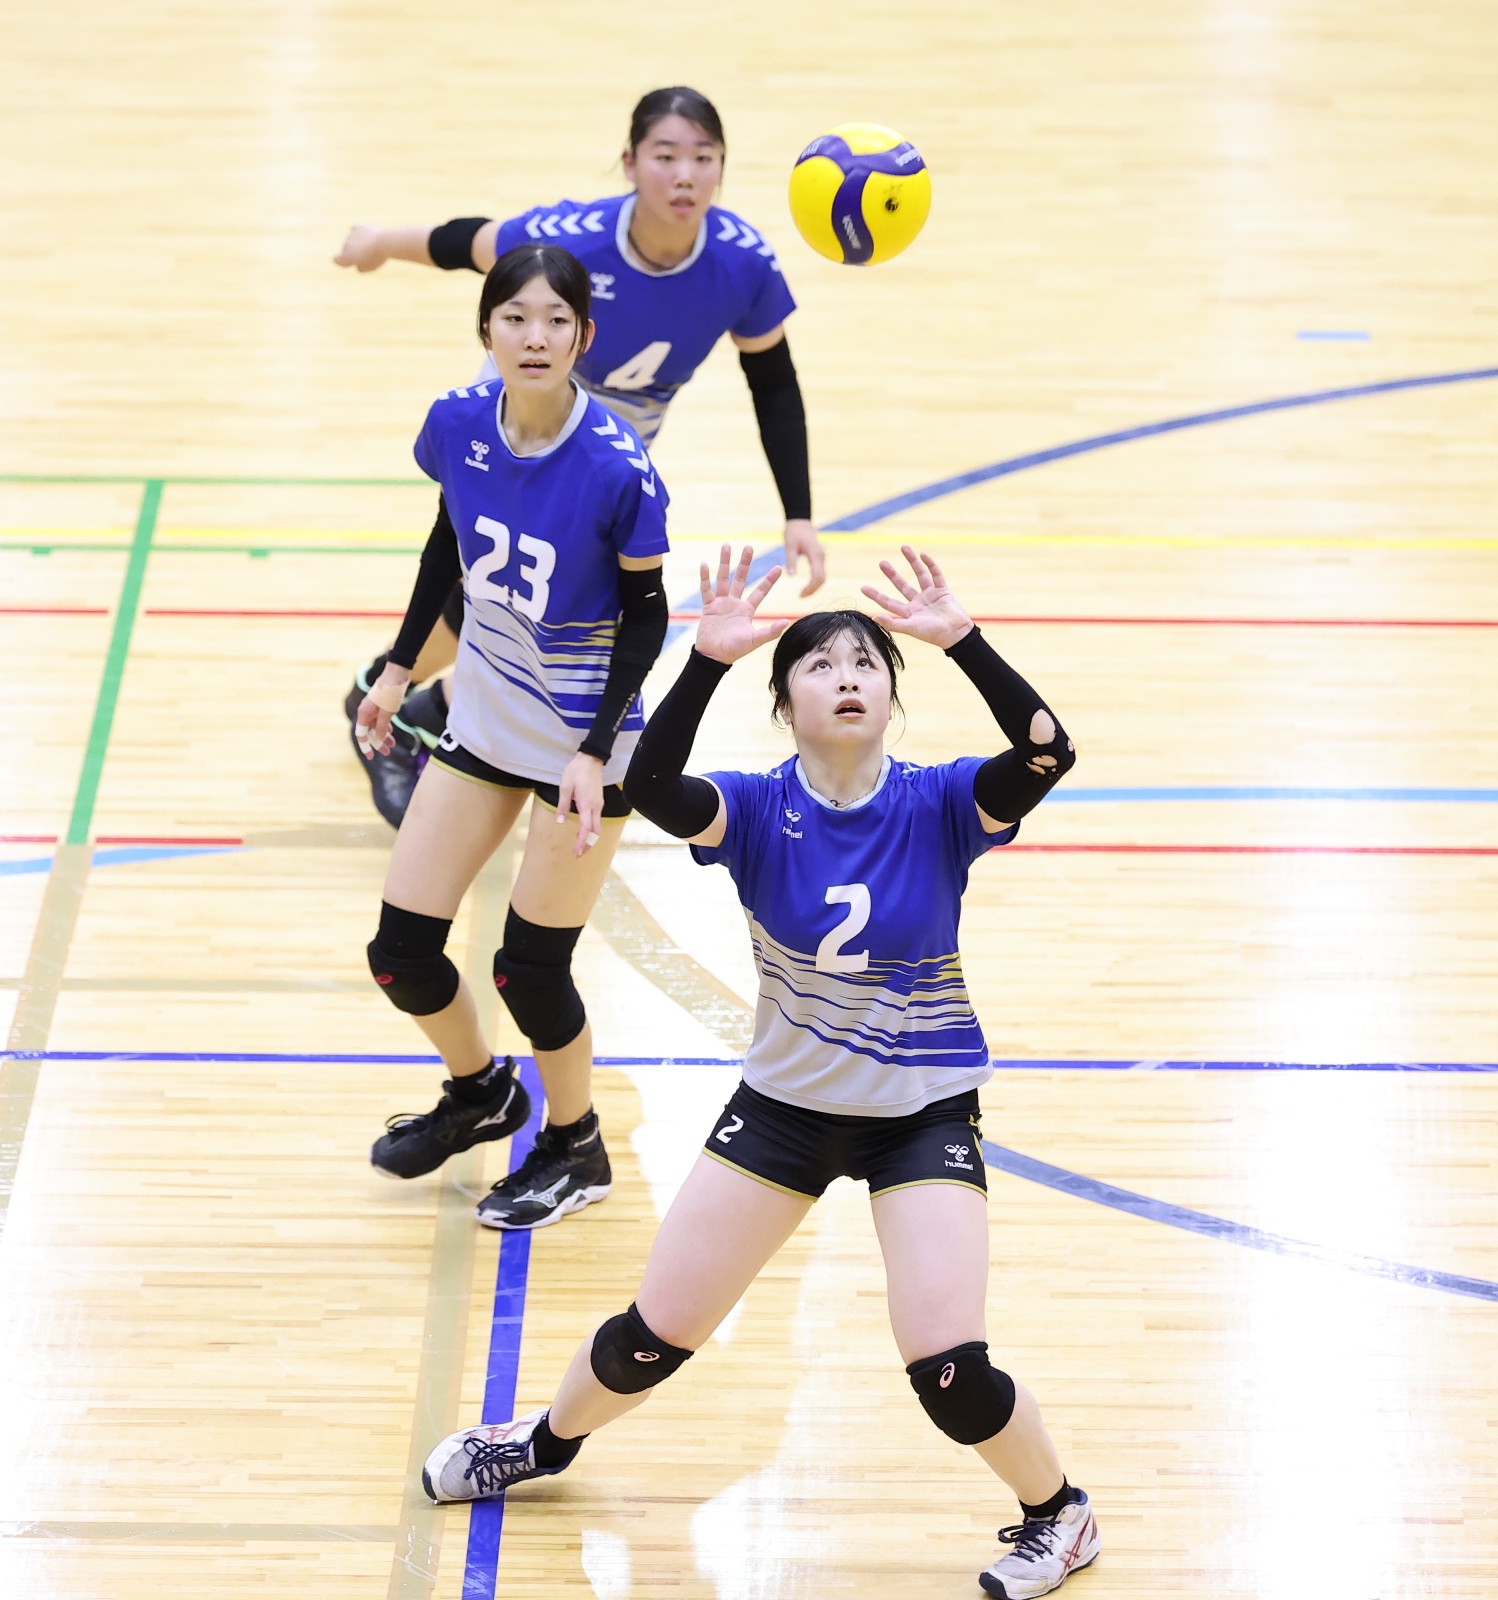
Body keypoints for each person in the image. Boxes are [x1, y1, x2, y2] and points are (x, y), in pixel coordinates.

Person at [417, 546, 1102, 1598]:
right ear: (785, 704)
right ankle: (543, 1443)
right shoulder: (753, 809)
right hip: (783, 1111)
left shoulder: (943, 802)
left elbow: (1049, 750)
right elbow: (649, 786)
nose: (847, 676)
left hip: (920, 1116)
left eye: (866, 663)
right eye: (820, 664)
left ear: (891, 698)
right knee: (652, 1339)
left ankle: (1061, 1514)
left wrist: (964, 641)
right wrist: (704, 659)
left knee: (949, 1367)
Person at [334, 85, 825, 825]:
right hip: (525, 418)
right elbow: (468, 243)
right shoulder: (580, 239)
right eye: (665, 156)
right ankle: (398, 700)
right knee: (502, 578)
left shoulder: (742, 263)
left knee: (549, 593)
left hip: (605, 452)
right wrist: (379, 242)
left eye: (704, 158)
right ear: (629, 163)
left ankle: (417, 696)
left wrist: (799, 512)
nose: (685, 175)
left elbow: (774, 383)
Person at [357, 242, 669, 1232]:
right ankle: (481, 1091)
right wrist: (400, 668)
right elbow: (445, 542)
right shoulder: (456, 422)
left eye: (556, 321)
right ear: (486, 328)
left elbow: (650, 616)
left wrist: (595, 749)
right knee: (402, 951)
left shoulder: (617, 466)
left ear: (584, 335)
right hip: (487, 722)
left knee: (529, 970)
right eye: (515, 318)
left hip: (587, 748)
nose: (535, 337)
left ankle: (576, 1145)